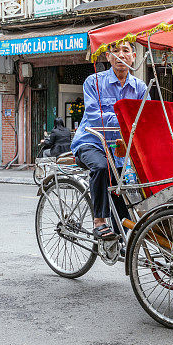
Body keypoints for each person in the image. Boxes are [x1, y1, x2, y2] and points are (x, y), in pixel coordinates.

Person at [70, 42, 147, 240]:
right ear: (108, 56)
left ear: (134, 56)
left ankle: (120, 241)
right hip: (91, 142)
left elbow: (142, 119)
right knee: (101, 167)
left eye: (126, 50)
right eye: (116, 51)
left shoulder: (140, 87)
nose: (121, 55)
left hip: (120, 150)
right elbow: (95, 117)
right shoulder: (93, 81)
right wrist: (125, 118)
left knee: (125, 199)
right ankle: (99, 221)